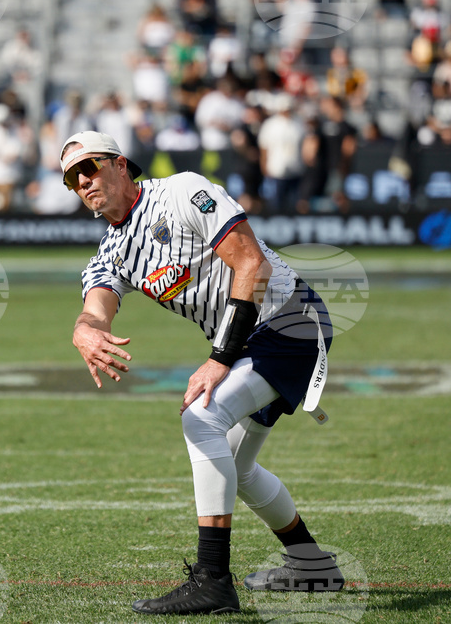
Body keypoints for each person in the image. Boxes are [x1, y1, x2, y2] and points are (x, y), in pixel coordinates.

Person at [64, 130, 343, 616]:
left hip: (290, 320)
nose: (84, 180)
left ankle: (213, 580)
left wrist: (219, 358)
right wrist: (85, 331)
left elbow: (251, 263)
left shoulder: (180, 191)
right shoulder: (111, 252)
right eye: (73, 178)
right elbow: (96, 307)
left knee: (200, 418)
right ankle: (311, 565)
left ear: (121, 164)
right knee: (237, 468)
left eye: (91, 166)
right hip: (252, 340)